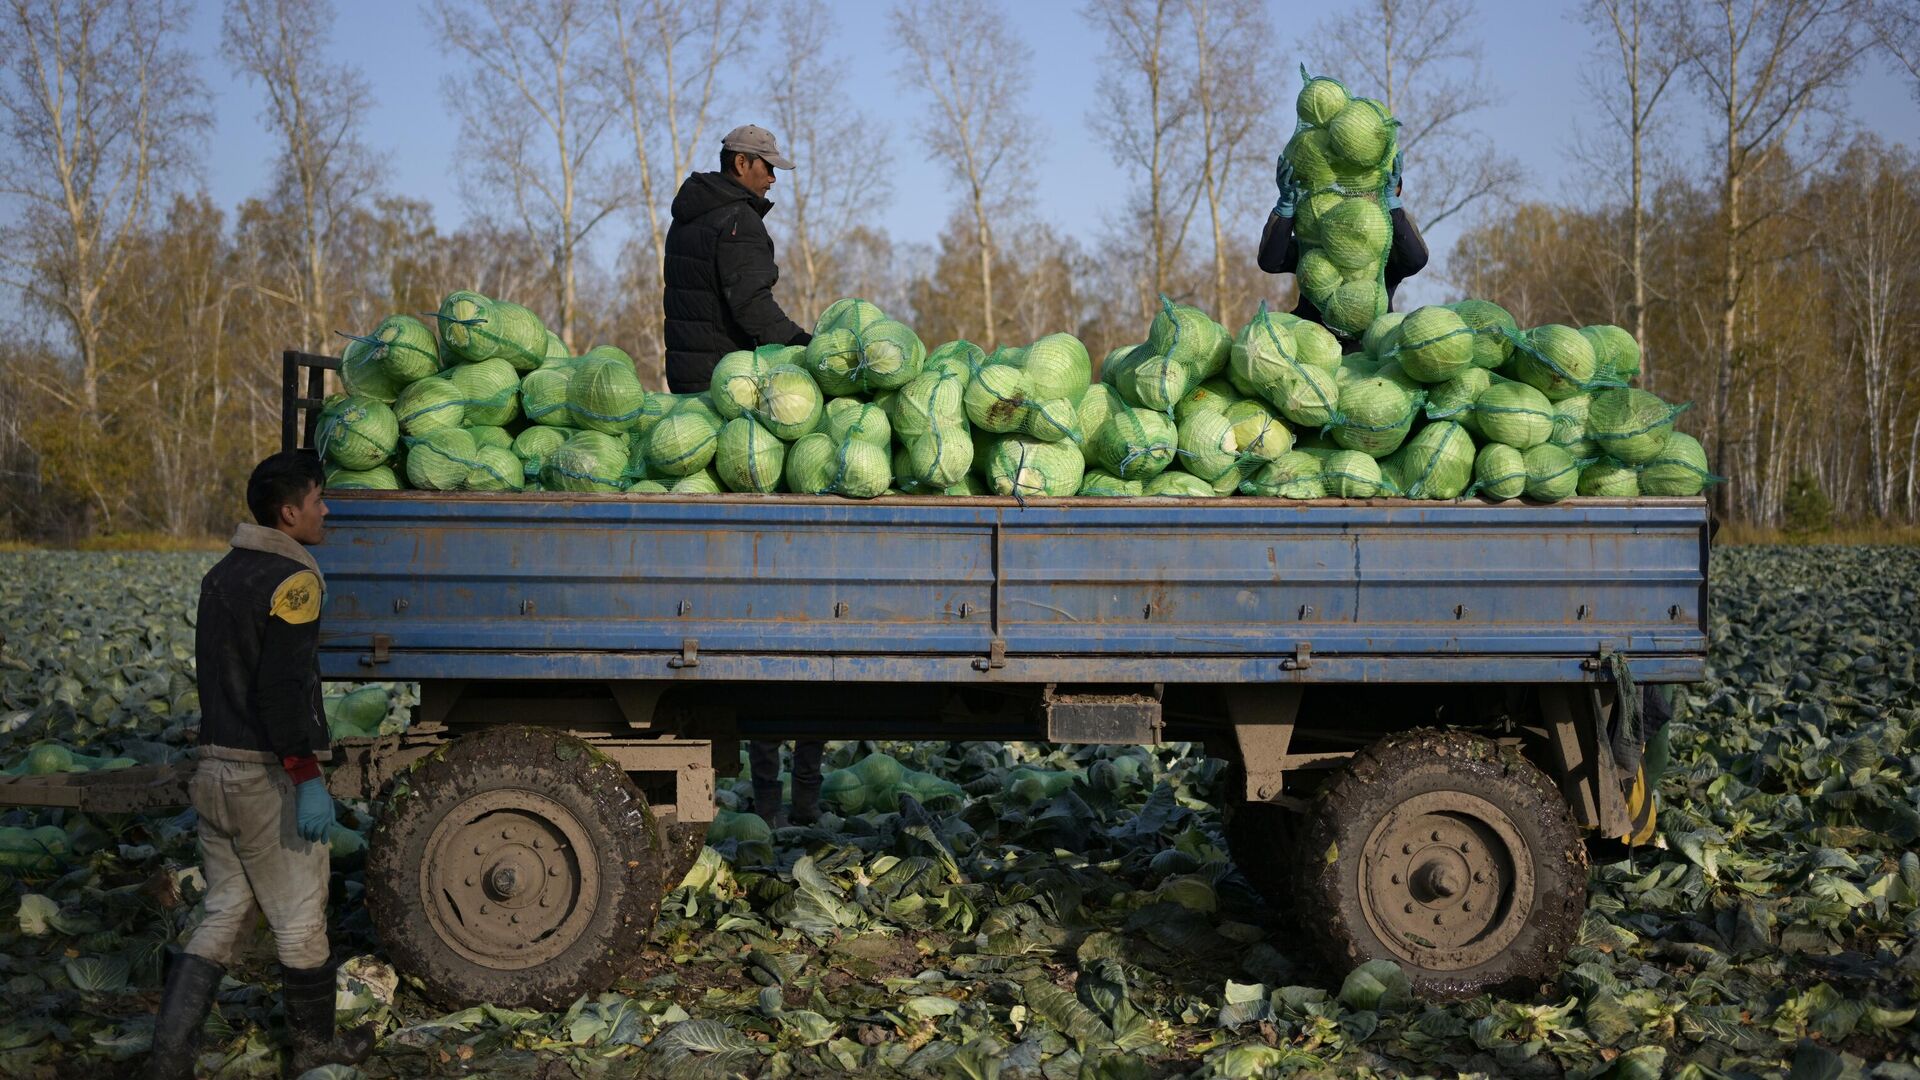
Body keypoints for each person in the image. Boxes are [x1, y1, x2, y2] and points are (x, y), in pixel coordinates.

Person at [146, 451, 372, 1080]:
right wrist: (306, 779)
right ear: (288, 512)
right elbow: (281, 689)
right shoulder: (293, 581)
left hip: (214, 772)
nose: (326, 509)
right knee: (301, 925)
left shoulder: (222, 574)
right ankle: (315, 1050)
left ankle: (168, 1059)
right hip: (262, 780)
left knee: (224, 912)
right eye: (318, 498)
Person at [662, 123, 814, 395]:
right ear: (742, 163)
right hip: (725, 380)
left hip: (685, 374)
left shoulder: (689, 216)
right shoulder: (737, 219)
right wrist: (801, 343)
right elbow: (753, 305)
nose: (772, 179)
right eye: (768, 167)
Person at [1257, 152, 1430, 347]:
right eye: (1350, 192)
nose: (1356, 199)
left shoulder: (1385, 247)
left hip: (1371, 349)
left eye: (1371, 193)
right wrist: (1285, 209)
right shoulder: (1315, 245)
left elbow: (1416, 258)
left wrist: (1394, 209)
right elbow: (1271, 261)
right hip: (1311, 344)